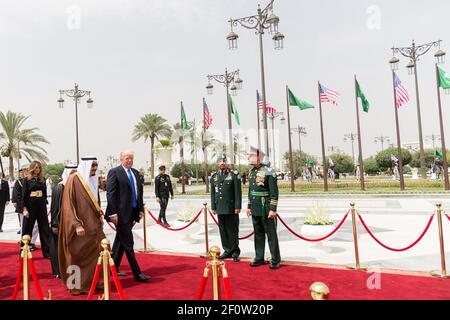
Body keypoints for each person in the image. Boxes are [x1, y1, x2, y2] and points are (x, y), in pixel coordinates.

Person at [58, 157, 106, 295]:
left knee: (97, 256)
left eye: (96, 166)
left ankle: (93, 282)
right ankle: (76, 286)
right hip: (80, 229)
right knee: (76, 257)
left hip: (93, 228)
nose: (95, 169)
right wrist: (76, 224)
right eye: (92, 166)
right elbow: (68, 205)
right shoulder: (74, 180)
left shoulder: (91, 180)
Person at [105, 150, 150, 282]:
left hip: (132, 212)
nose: (129, 160)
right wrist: (113, 213)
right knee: (129, 243)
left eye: (131, 158)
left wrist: (140, 209)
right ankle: (137, 273)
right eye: (127, 158)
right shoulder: (114, 172)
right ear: (121, 159)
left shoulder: (135, 173)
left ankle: (112, 268)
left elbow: (139, 192)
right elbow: (110, 194)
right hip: (119, 214)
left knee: (120, 241)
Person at [246, 147, 281, 269]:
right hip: (255, 207)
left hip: (266, 208)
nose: (248, 157)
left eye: (251, 155)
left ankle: (275, 259)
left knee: (271, 235)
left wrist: (273, 209)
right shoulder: (252, 172)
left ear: (258, 157)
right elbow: (251, 191)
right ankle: (259, 257)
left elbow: (274, 193)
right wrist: (249, 206)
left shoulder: (269, 171)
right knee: (258, 234)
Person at [210, 155, 242, 262]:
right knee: (223, 230)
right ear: (217, 163)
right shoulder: (214, 177)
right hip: (219, 207)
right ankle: (227, 250)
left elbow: (238, 192)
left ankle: (235, 252)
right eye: (220, 161)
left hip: (231, 207)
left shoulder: (233, 175)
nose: (222, 163)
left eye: (224, 161)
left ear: (226, 162)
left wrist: (238, 206)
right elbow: (213, 193)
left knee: (232, 230)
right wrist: (213, 206)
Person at [49, 164, 77, 279]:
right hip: (59, 223)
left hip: (69, 223)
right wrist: (55, 224)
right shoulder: (60, 187)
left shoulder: (74, 186)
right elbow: (55, 208)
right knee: (57, 247)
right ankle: (57, 271)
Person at [21, 161, 50, 258]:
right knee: (27, 228)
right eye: (36, 167)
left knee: (44, 228)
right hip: (31, 204)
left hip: (41, 205)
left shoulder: (42, 180)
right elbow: (24, 195)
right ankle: (24, 251)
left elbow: (45, 193)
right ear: (32, 168)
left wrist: (44, 202)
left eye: (39, 167)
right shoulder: (27, 180)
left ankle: (47, 253)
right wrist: (25, 209)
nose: (38, 169)